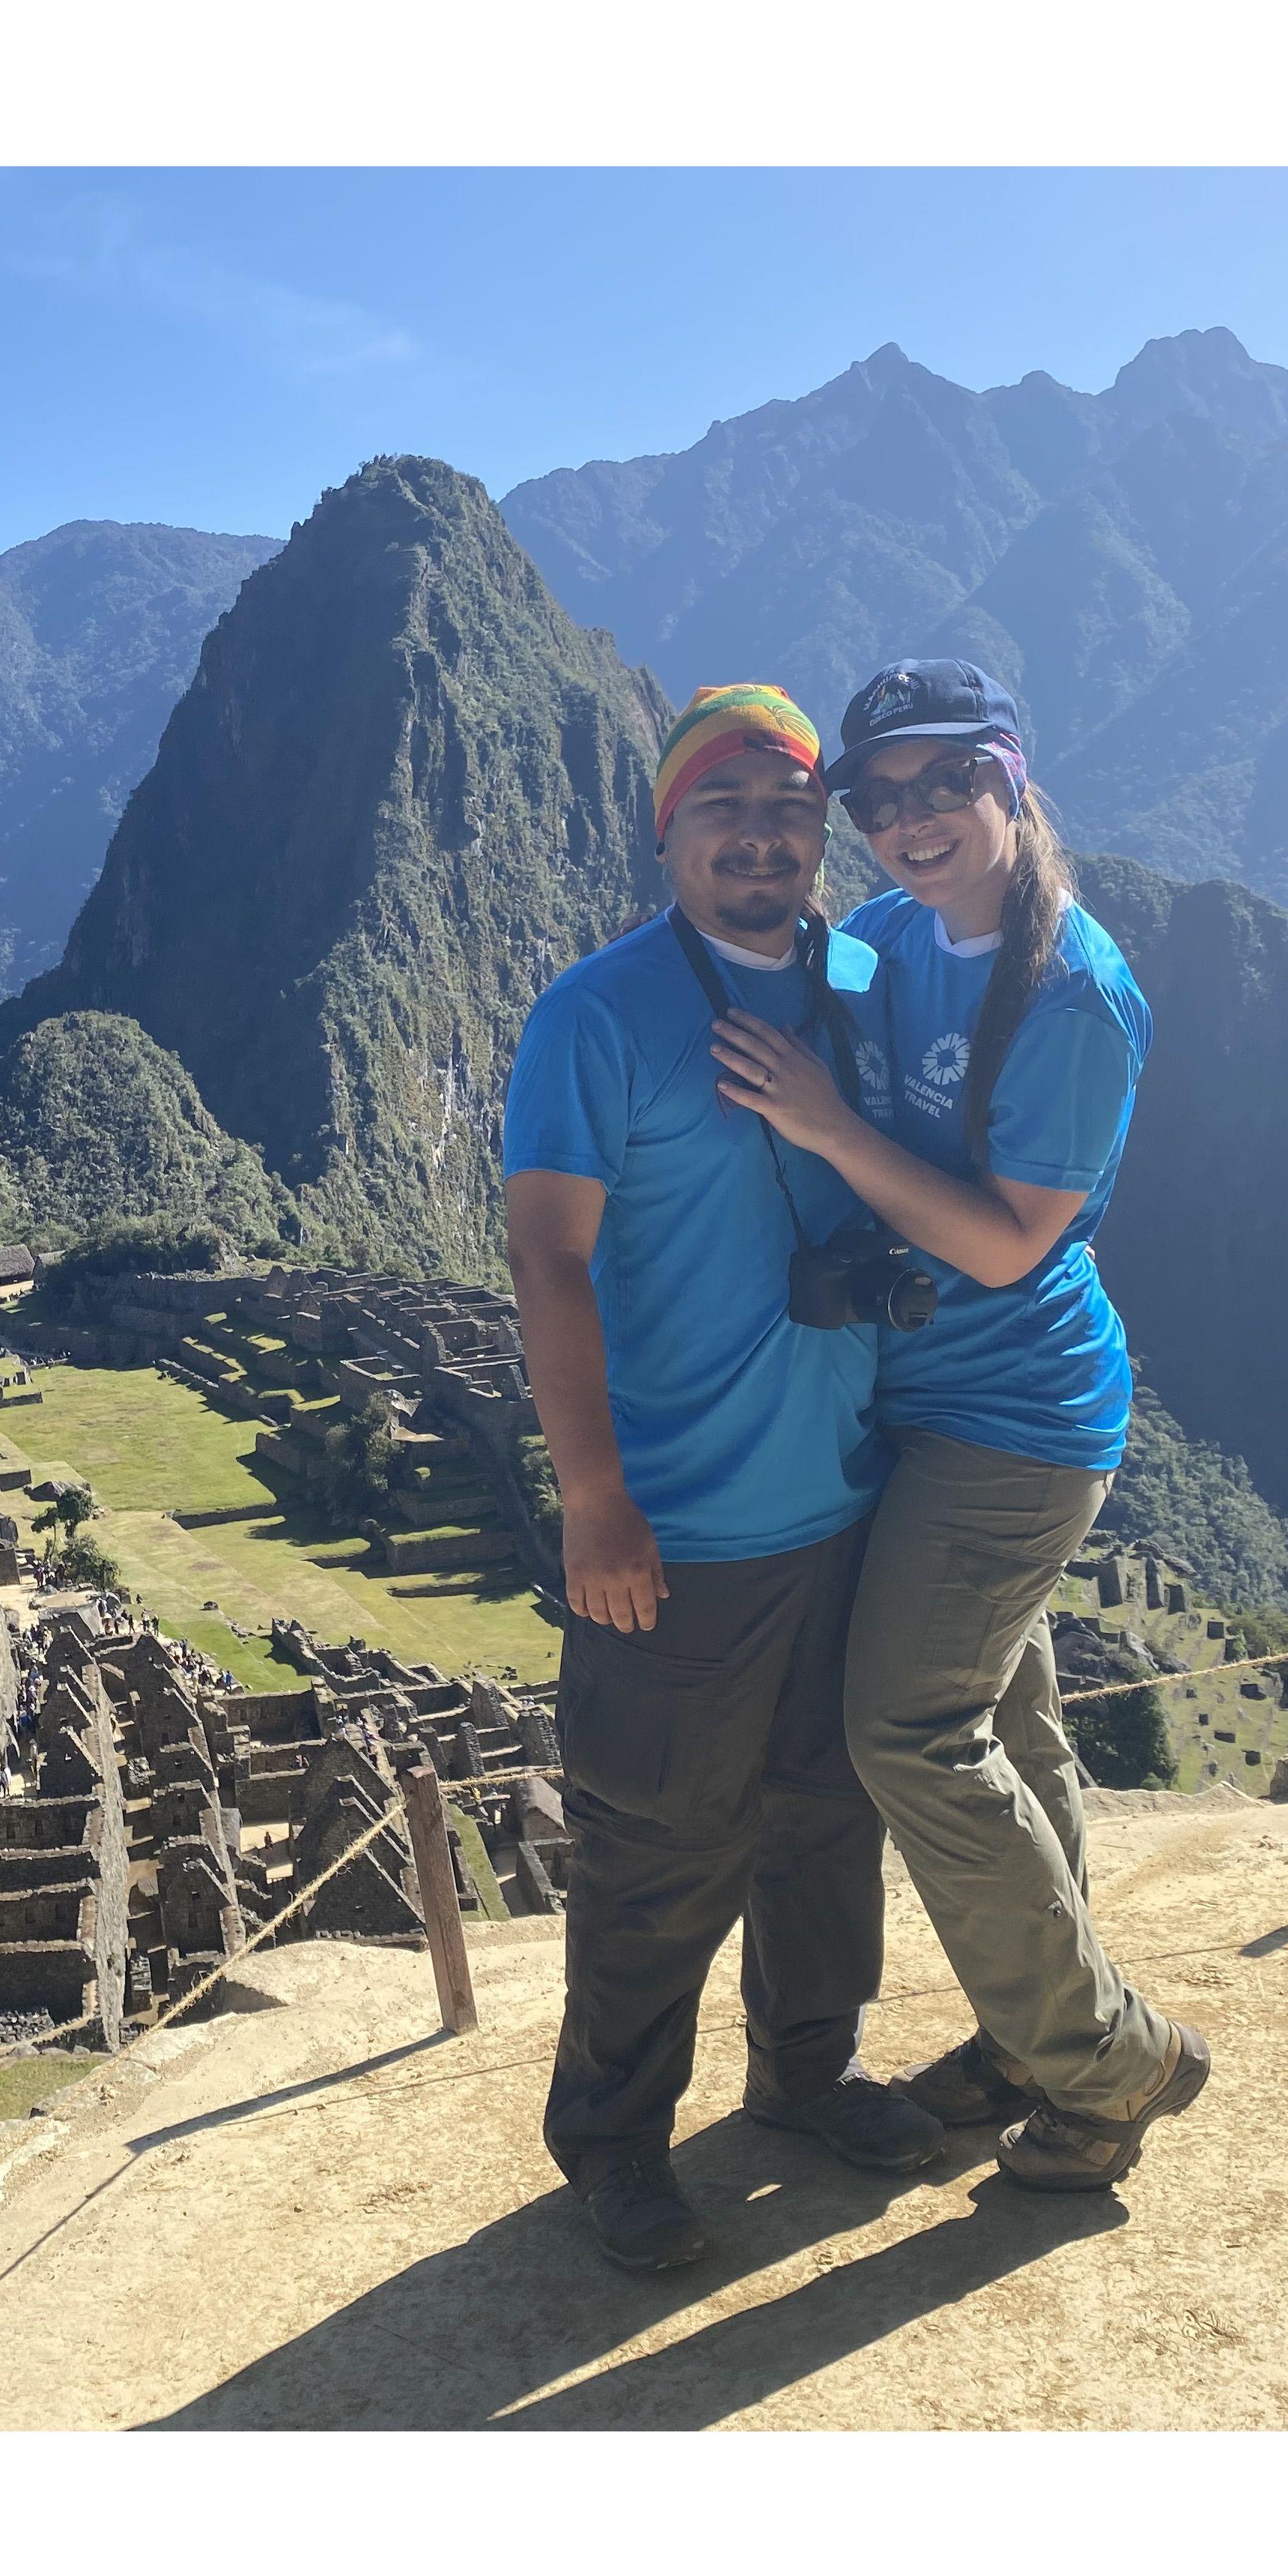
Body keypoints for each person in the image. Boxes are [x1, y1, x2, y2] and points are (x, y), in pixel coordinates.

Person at [708, 658, 1209, 2192]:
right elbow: (782, 991)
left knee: (911, 1733)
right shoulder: (880, 940)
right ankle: (1034, 2033)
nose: (913, 818)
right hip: (902, 1399)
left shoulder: (1072, 992)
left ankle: (1106, 2060)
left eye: (945, 781)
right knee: (1006, 1723)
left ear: (1011, 773)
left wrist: (825, 1125)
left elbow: (1006, 1245)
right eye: (879, 796)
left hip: (1017, 1421)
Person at [504, 682, 944, 2273]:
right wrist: (595, 1498)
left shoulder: (859, 983)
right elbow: (550, 1264)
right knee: (656, 1846)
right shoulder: (598, 1014)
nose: (761, 836)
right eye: (725, 808)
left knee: (830, 1822)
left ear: (821, 828)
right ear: (666, 826)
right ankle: (614, 2142)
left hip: (850, 1496)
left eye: (789, 808)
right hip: (679, 1531)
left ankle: (808, 2072)